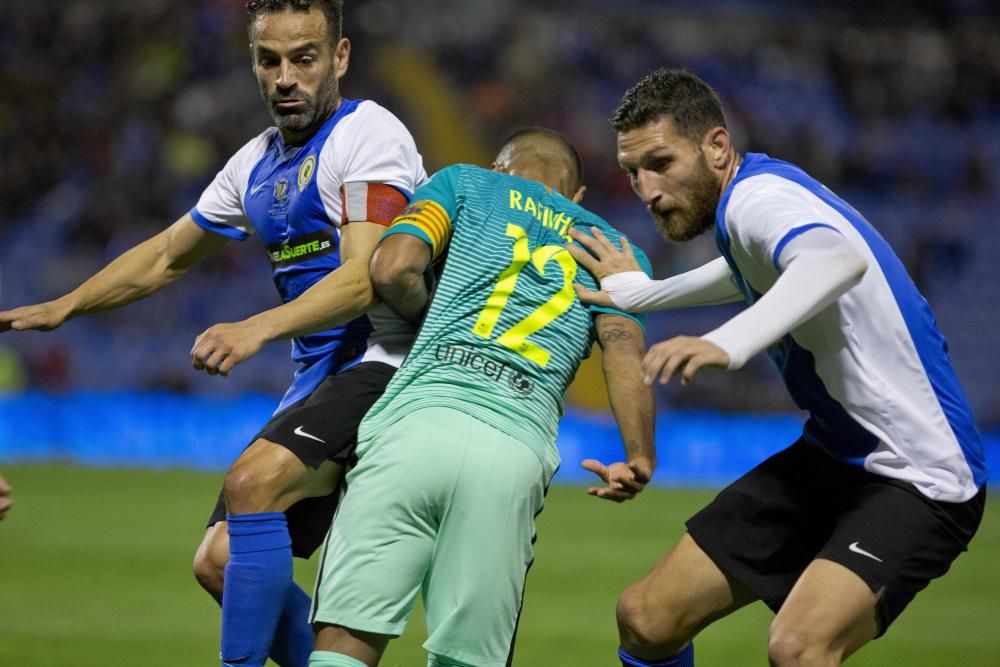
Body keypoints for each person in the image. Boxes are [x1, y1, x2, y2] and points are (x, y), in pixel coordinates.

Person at [0, 2, 426, 665]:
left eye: (304, 58)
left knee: (252, 483)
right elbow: (167, 255)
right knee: (220, 561)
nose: (285, 77)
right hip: (322, 378)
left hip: (391, 361)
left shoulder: (368, 134)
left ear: (339, 58)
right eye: (269, 60)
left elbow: (365, 279)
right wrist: (68, 305)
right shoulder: (254, 165)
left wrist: (256, 327)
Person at [568, 68, 987, 667]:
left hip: (920, 475)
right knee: (647, 619)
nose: (648, 190)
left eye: (661, 162)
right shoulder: (747, 205)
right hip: (833, 456)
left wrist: (728, 343)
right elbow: (747, 266)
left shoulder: (762, 201)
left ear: (716, 146)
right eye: (634, 173)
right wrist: (644, 295)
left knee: (798, 648)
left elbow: (831, 262)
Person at [305, 128, 657, 667]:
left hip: (416, 422)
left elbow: (392, 266)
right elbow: (623, 350)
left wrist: (429, 320)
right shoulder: (617, 251)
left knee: (343, 648)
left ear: (499, 167)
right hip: (514, 447)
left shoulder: (464, 184)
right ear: (578, 196)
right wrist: (638, 455)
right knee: (467, 659)